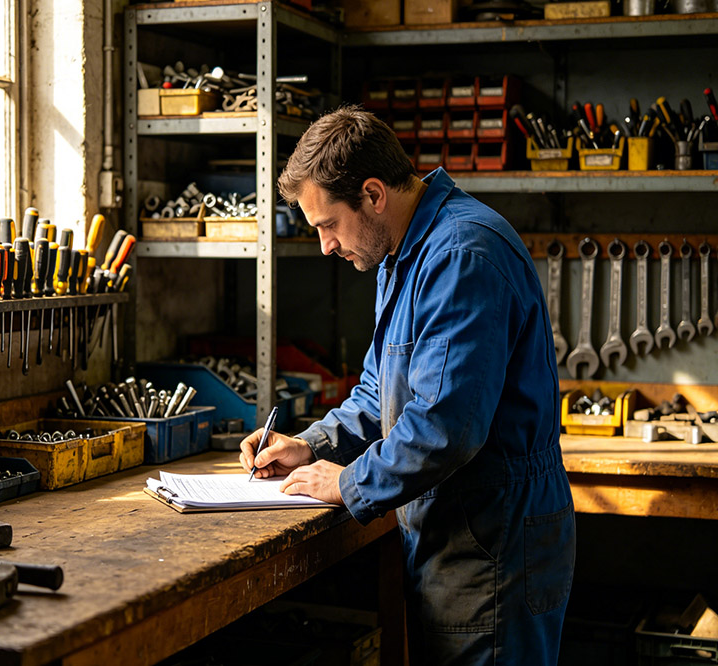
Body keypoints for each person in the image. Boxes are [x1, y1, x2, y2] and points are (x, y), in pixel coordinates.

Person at [239, 105, 575, 666]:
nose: (324, 246)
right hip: (448, 538)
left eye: (327, 225)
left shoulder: (462, 254)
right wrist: (309, 447)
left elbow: (445, 426)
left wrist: (348, 482)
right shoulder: (401, 252)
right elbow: (378, 393)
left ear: (373, 195)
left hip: (493, 547)